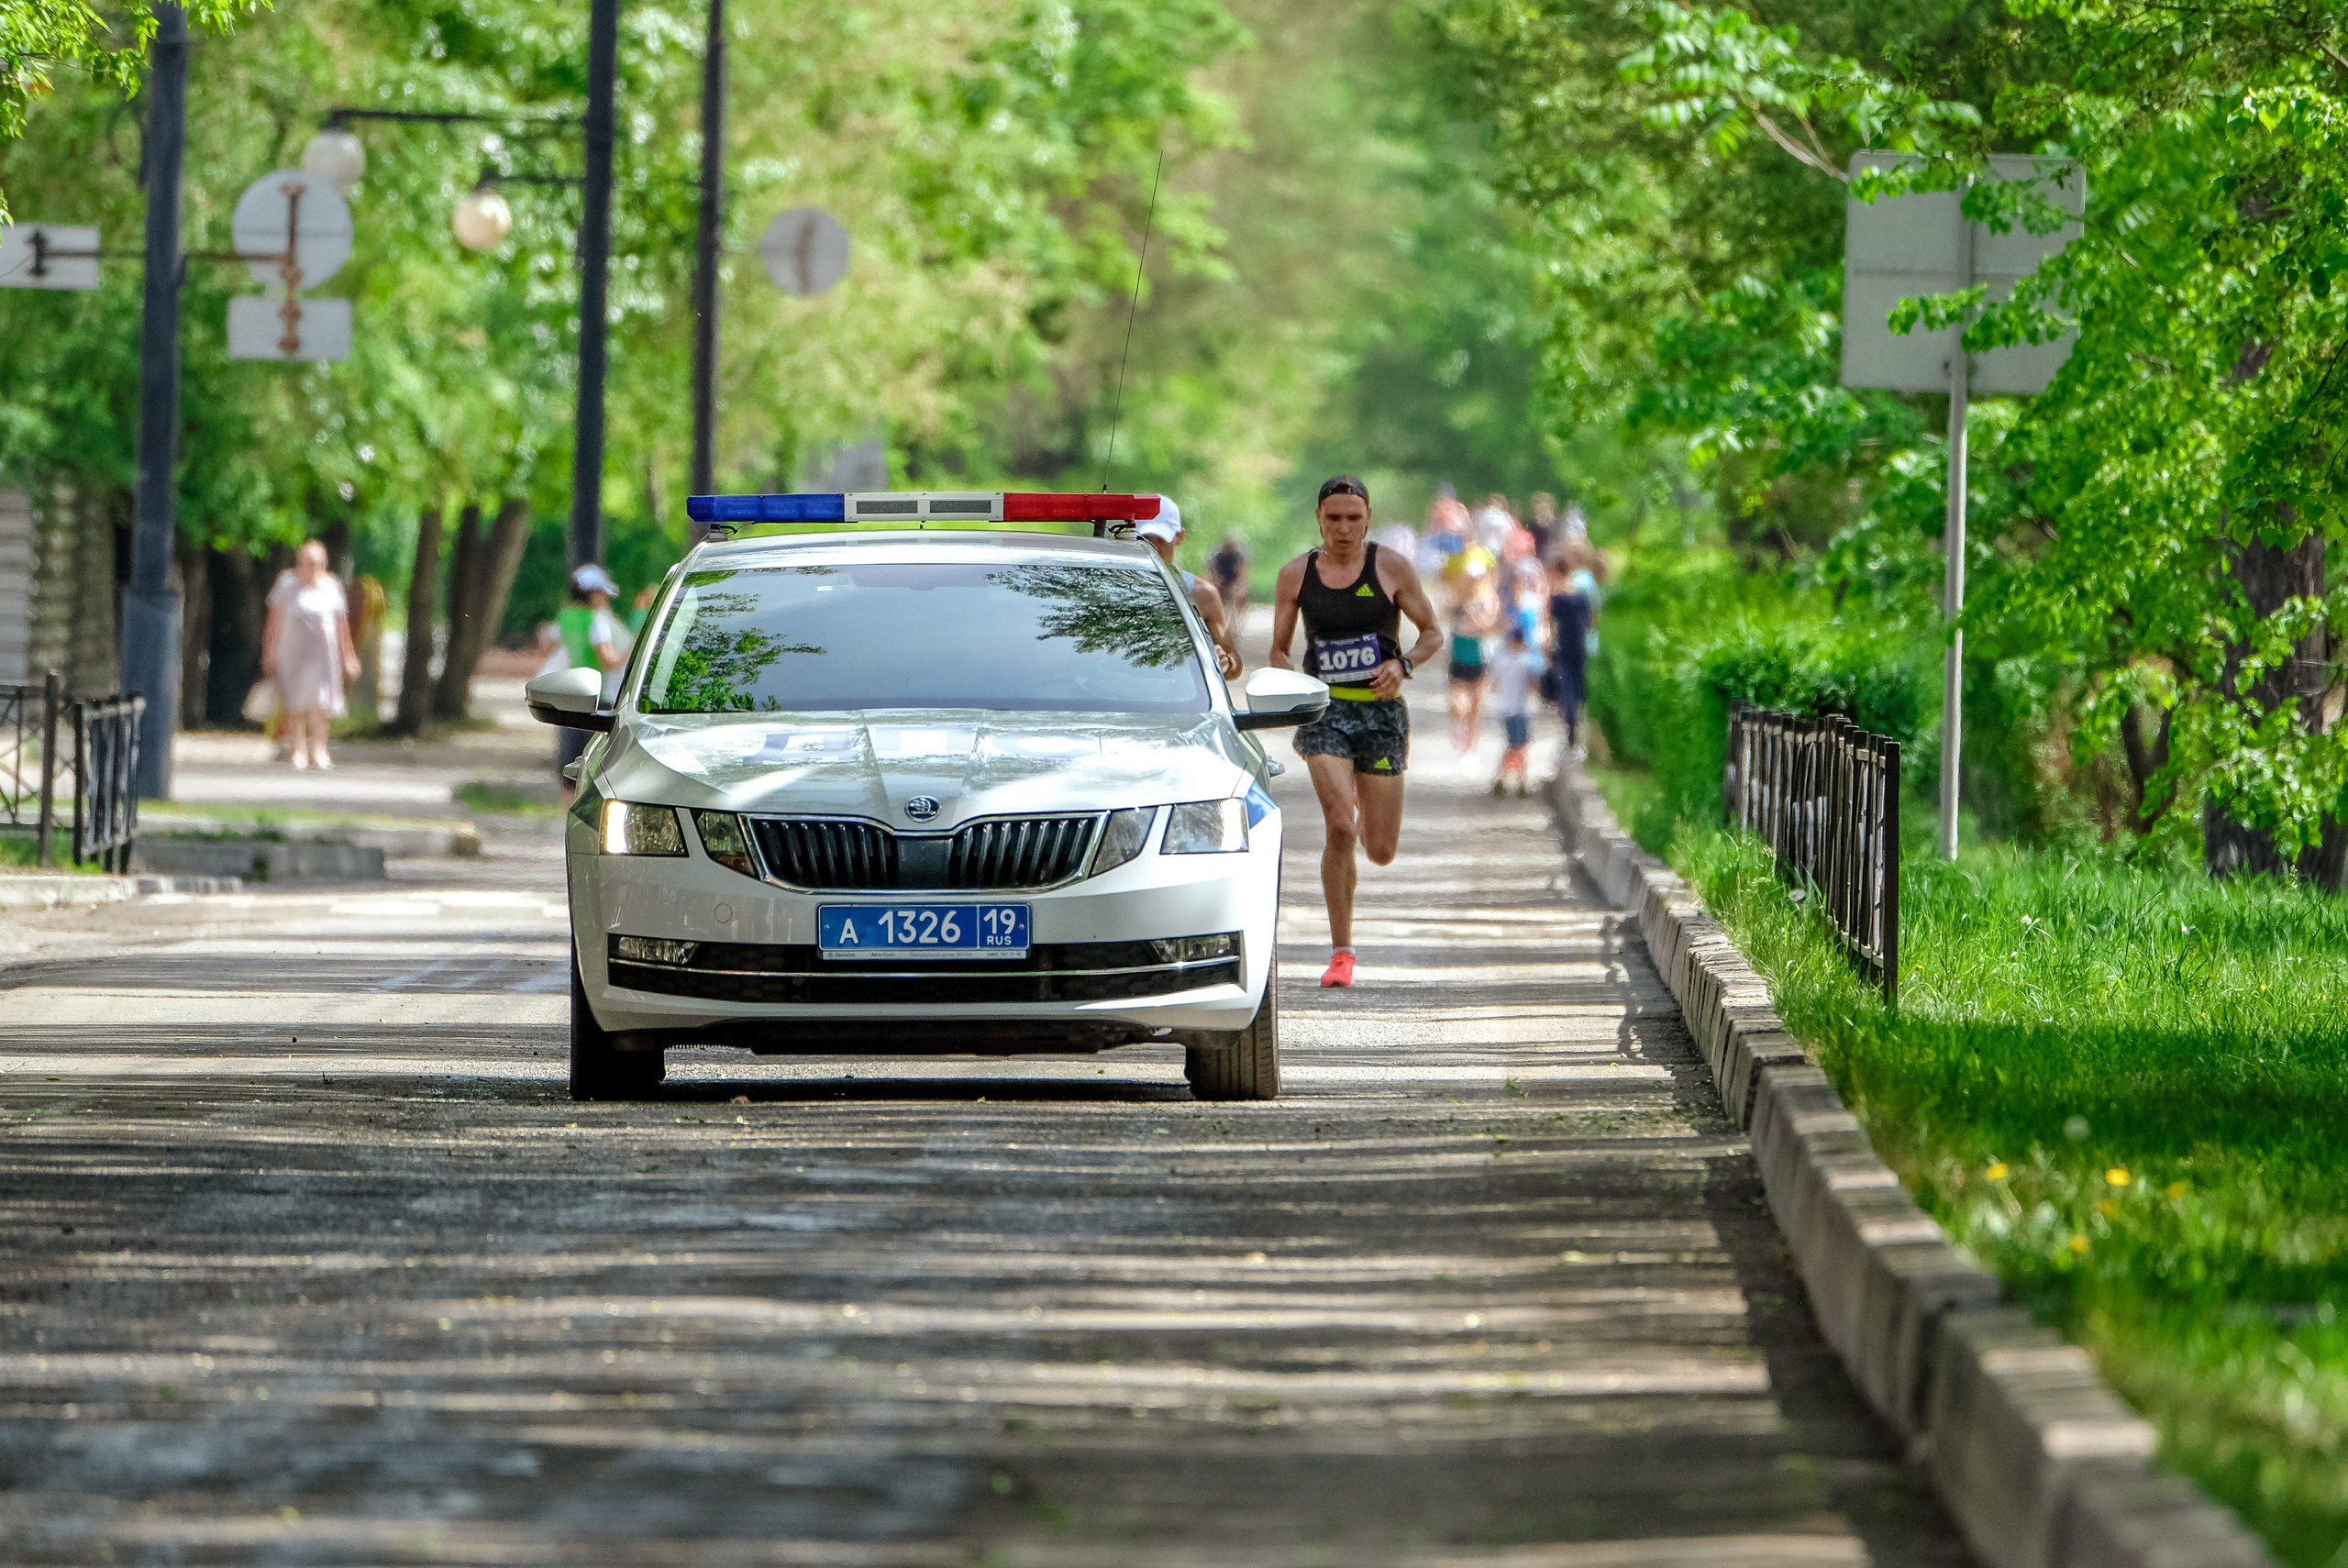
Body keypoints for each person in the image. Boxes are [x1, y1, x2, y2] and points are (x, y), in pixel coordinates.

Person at [1270, 475, 1445, 989]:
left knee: (1381, 848)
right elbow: (1279, 650)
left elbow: (1432, 632)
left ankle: (1368, 800)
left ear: (1368, 517)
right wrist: (1293, 681)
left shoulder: (1390, 566)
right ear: (1318, 520)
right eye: (1333, 518)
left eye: (1353, 518)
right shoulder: (1295, 575)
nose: (1343, 528)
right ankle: (1341, 953)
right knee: (1339, 827)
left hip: (1381, 715)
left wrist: (1404, 666)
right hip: (1325, 714)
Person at [261, 539, 360, 771]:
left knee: (321, 704)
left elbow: (341, 625)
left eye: (316, 563)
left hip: (324, 657)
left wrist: (348, 656)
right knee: (295, 705)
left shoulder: (332, 586)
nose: (310, 568)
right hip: (292, 655)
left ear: (324, 564)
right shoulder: (286, 584)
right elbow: (273, 622)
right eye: (306, 563)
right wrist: (268, 652)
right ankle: (298, 749)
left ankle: (320, 749)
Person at [547, 564, 631, 794]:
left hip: (571, 697)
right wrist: (632, 651)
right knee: (595, 765)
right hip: (597, 698)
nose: (604, 598)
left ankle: (566, 817)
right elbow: (607, 661)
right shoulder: (597, 620)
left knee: (569, 769)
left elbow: (549, 644)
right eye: (601, 593)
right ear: (591, 593)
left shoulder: (565, 616)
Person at [1139, 501, 1241, 679]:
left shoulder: (1202, 594)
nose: (1153, 548)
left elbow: (1233, 663)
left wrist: (1225, 661)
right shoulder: (1106, 586)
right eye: (1144, 540)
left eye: (1161, 539)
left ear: (1180, 537)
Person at [1445, 561, 1498, 754]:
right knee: (1459, 705)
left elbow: (1489, 626)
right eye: (1469, 578)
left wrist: (1473, 617)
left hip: (1478, 656)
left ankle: (1471, 749)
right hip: (1458, 654)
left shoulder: (1488, 599)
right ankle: (1458, 729)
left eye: (1476, 579)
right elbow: (1440, 617)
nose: (1472, 582)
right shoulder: (1458, 599)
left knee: (1475, 709)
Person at [1546, 557, 1594, 760]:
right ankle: (1576, 739)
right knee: (1578, 693)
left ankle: (1571, 738)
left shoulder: (1557, 600)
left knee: (1565, 695)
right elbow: (1590, 622)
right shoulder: (1581, 598)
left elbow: (1553, 628)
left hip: (1563, 652)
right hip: (1580, 650)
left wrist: (1548, 649)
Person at [1489, 623, 1542, 798]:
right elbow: (1533, 685)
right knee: (1521, 746)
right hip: (1520, 709)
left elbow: (1493, 685)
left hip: (1505, 708)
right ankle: (1518, 781)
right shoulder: (1526, 661)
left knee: (1513, 745)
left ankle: (1504, 779)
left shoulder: (1501, 660)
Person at [1208, 531, 1250, 617]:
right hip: (1221, 578)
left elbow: (1242, 571)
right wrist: (1216, 581)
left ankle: (1240, 614)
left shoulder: (1238, 556)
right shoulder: (1218, 556)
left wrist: (1240, 585)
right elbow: (1212, 570)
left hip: (1234, 578)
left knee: (1241, 596)